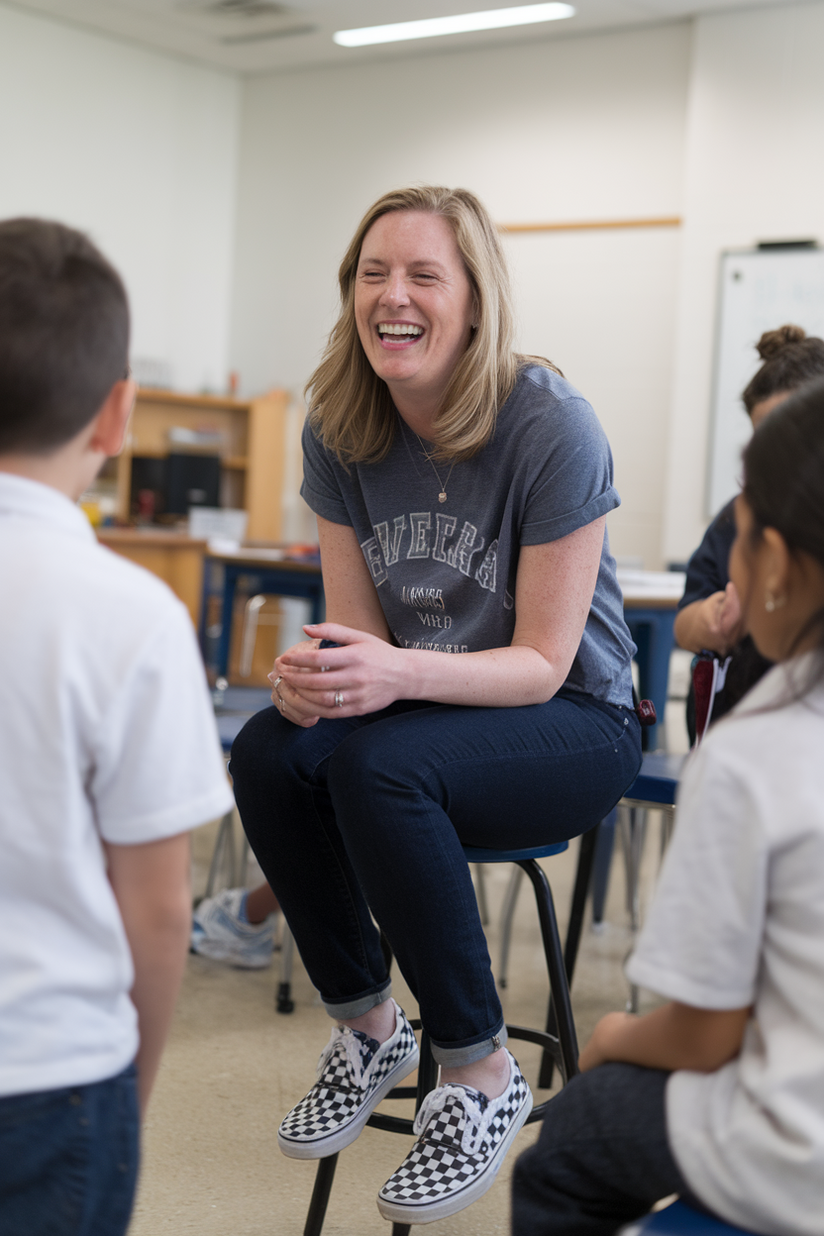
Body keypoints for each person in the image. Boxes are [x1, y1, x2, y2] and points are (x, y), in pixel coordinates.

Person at [229, 185, 642, 1225]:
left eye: (422, 276)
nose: (392, 298)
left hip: (571, 727)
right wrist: (317, 678)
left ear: (472, 300)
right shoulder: (340, 423)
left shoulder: (550, 424)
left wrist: (390, 680)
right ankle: (370, 1028)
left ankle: (478, 1072)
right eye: (373, 275)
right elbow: (360, 637)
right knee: (271, 751)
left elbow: (543, 665)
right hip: (430, 722)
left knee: (379, 766)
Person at [512, 376, 824, 1235]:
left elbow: (702, 1038)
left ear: (776, 565)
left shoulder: (756, 753)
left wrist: (611, 1035)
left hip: (798, 1158)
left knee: (573, 1137)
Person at [0, 218, 234, 1236]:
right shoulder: (134, 617)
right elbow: (157, 907)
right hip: (55, 1078)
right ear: (118, 414)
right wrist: (130, 1092)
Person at [675, 325, 824, 739]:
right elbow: (686, 619)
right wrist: (711, 621)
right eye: (765, 439)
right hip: (733, 733)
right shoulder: (735, 521)